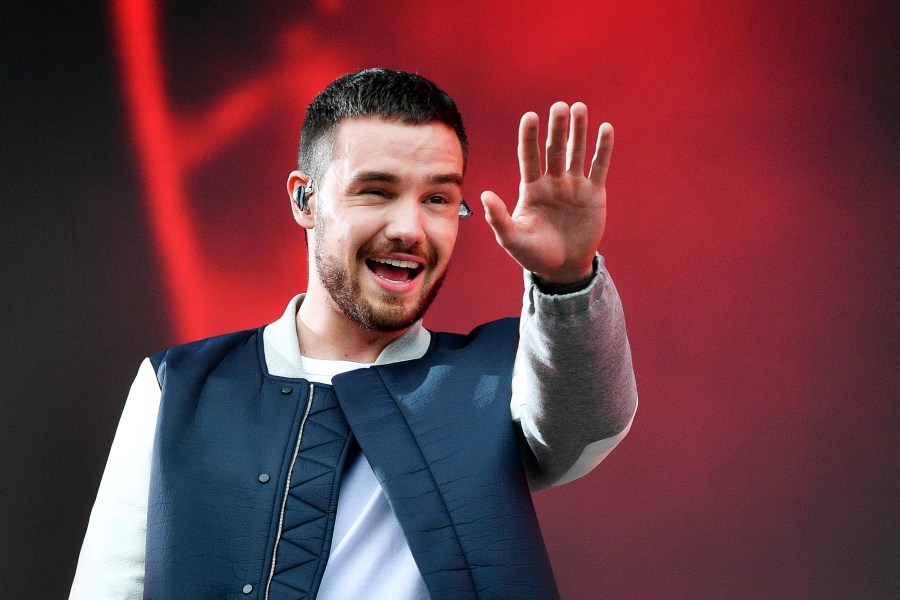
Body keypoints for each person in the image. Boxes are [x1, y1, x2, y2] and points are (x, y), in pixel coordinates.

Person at [70, 68, 637, 600]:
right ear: (304, 198)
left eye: (437, 198)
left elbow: (587, 426)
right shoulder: (177, 385)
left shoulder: (497, 376)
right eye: (376, 191)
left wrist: (567, 278)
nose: (409, 229)